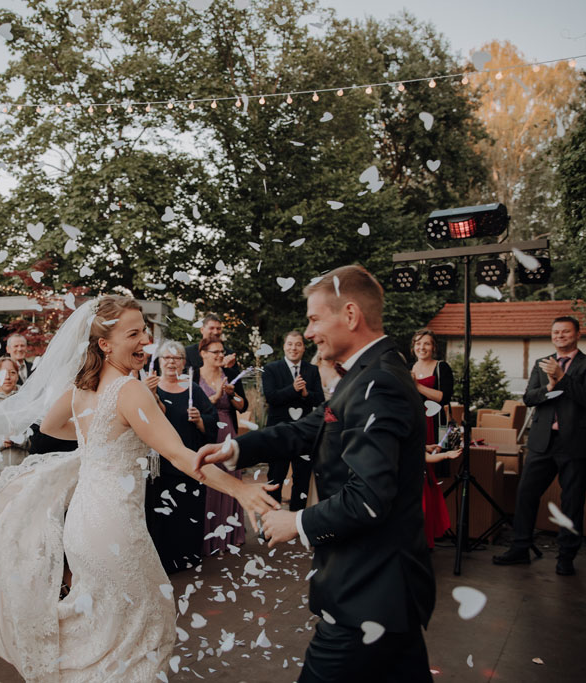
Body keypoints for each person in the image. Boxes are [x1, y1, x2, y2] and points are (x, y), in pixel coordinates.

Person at [0, 295, 277, 682]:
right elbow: (181, 456)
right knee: (147, 621)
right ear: (104, 343)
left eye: (144, 333)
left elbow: (50, 431)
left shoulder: (79, 390)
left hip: (84, 522)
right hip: (114, 524)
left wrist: (97, 446)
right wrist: (240, 490)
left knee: (106, 623)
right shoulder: (129, 391)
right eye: (133, 334)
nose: (144, 343)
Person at [196, 265, 435, 683]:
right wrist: (235, 449)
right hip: (386, 589)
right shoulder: (366, 373)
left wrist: (296, 521)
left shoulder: (377, 381)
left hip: (369, 588)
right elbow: (314, 427)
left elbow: (367, 498)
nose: (307, 334)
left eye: (314, 319)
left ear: (350, 315)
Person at [493, 316, 586, 576]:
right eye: (556, 332)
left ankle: (566, 557)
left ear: (577, 334)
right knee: (526, 494)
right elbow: (529, 397)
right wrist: (550, 386)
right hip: (542, 442)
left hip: (576, 444)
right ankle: (520, 548)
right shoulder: (540, 363)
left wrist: (562, 377)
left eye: (565, 332)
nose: (560, 336)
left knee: (572, 501)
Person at [146, 340, 218, 573]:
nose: (171, 362)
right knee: (164, 513)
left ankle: (189, 556)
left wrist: (199, 421)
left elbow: (213, 421)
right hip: (162, 464)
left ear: (184, 363)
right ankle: (165, 560)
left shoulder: (193, 389)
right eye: (166, 358)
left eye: (176, 358)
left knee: (189, 511)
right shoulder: (149, 389)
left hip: (189, 461)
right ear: (158, 362)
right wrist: (152, 396)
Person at [197, 334, 249, 555]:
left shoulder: (230, 375)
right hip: (204, 432)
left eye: (222, 352)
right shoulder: (193, 376)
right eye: (215, 352)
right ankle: (206, 537)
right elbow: (193, 405)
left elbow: (242, 405)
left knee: (228, 481)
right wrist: (216, 395)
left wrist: (232, 394)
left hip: (227, 431)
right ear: (203, 354)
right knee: (207, 481)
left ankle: (229, 535)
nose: (220, 355)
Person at [262, 330, 325, 510]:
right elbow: (271, 397)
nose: (293, 348)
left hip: (304, 433)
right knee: (275, 476)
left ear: (304, 348)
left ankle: (296, 520)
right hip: (278, 432)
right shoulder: (271, 369)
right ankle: (270, 518)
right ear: (284, 346)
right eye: (290, 344)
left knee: (302, 478)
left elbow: (319, 399)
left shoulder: (312, 370)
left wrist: (305, 394)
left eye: (298, 344)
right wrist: (293, 389)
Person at [409, 328, 455, 549]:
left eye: (426, 344)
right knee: (416, 476)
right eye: (418, 344)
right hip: (414, 423)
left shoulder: (441, 367)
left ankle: (434, 529)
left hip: (434, 423)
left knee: (431, 476)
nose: (422, 348)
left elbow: (444, 397)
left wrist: (416, 386)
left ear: (433, 347)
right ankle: (419, 529)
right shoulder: (410, 368)